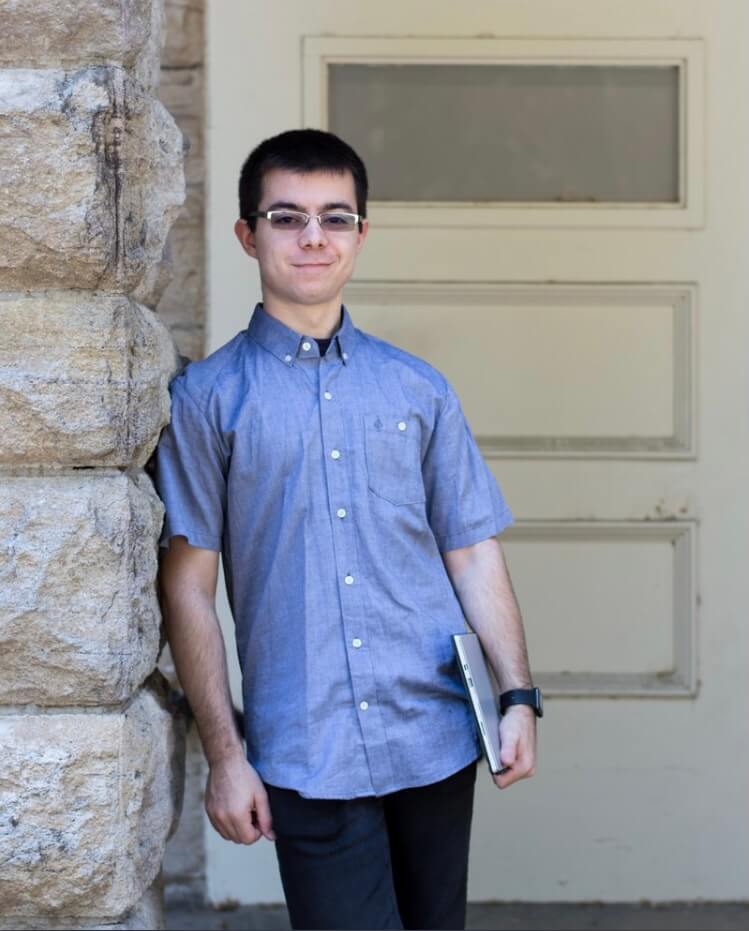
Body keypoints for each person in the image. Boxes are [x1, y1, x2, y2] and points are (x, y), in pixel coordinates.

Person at [154, 128, 541, 931]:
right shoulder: (207, 400)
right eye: (286, 216)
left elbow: (471, 553)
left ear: (360, 234)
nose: (313, 237)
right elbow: (187, 588)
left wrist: (517, 696)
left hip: (433, 731)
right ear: (247, 234)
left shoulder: (417, 389)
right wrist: (225, 757)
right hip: (306, 745)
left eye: (335, 217)